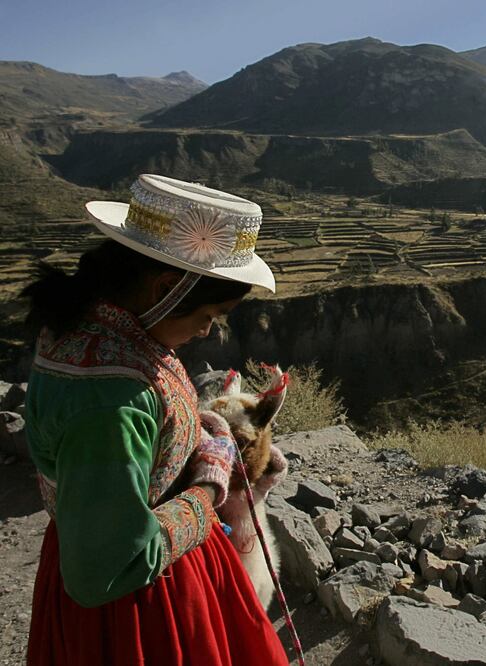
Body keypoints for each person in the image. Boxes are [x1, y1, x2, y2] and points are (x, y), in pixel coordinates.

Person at [21, 174, 290, 665]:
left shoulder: (101, 332)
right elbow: (111, 564)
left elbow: (138, 451)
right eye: (211, 313)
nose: (209, 330)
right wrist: (209, 483)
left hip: (136, 563)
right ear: (167, 287)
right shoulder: (111, 400)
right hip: (139, 611)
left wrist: (197, 435)